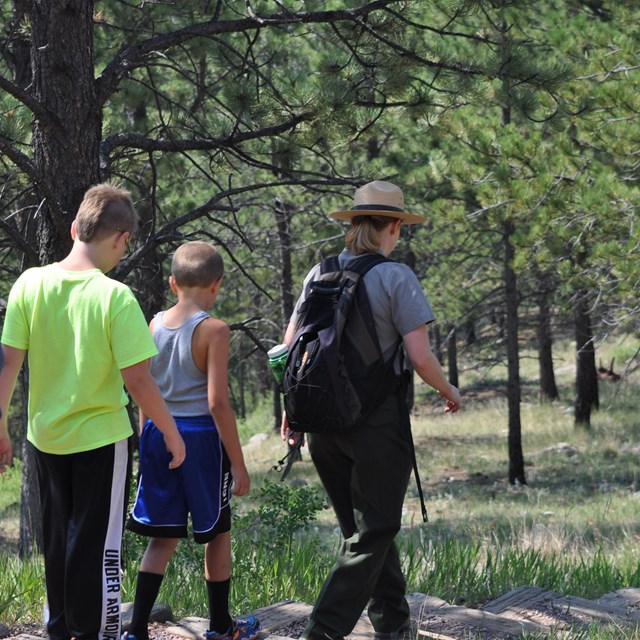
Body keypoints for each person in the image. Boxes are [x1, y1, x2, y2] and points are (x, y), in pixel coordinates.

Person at [0, 183, 186, 640]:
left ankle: (60, 629)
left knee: (58, 540)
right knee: (99, 548)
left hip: (43, 437)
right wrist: (171, 433)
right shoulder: (115, 297)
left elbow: (8, 364)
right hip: (102, 440)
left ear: (74, 229)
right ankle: (97, 633)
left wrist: (0, 427)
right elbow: (138, 380)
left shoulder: (30, 283)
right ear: (121, 237)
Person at [281, 181, 462, 640]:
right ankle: (322, 632)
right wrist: (449, 390)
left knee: (365, 532)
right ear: (394, 228)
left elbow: (289, 351)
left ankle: (394, 625)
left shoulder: (317, 274)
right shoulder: (395, 277)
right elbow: (420, 357)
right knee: (374, 530)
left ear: (355, 225)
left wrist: (292, 412)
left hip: (321, 423)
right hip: (376, 422)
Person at [124, 241, 259, 640]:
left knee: (163, 536)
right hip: (201, 440)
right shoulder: (214, 329)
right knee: (217, 532)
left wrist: (149, 435)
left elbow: (144, 387)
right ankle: (220, 626)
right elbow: (217, 402)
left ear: (172, 283)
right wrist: (238, 462)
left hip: (158, 434)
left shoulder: (152, 324)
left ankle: (136, 630)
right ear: (216, 285)